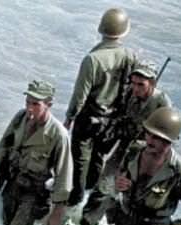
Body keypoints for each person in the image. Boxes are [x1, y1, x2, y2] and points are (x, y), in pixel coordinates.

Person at [0, 80, 72, 225]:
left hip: (35, 194)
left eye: (36, 104)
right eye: (28, 102)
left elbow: (64, 174)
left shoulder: (58, 134)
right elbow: (5, 143)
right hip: (13, 183)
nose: (30, 108)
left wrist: (58, 210)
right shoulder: (21, 118)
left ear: (48, 105)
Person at [80, 59, 173, 225]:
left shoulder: (162, 103)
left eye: (141, 85)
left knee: (128, 195)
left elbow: (167, 135)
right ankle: (87, 222)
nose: (135, 88)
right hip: (124, 146)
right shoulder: (130, 94)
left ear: (152, 83)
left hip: (145, 155)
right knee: (104, 185)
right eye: (134, 83)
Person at [64, 8, 138, 211]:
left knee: (80, 159)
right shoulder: (130, 56)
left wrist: (69, 118)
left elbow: (80, 96)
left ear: (101, 29)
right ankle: (90, 193)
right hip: (112, 119)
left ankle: (76, 196)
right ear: (124, 31)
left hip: (89, 118)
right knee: (98, 157)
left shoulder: (92, 59)